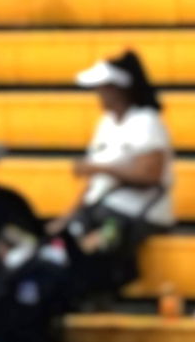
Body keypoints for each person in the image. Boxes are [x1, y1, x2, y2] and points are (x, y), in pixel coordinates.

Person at [64, 52, 176, 293]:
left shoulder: (147, 121)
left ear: (118, 89)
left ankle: (102, 292)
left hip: (139, 213)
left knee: (100, 242)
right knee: (67, 238)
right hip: (102, 208)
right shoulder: (105, 123)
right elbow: (94, 185)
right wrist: (69, 215)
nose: (99, 94)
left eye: (103, 87)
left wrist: (99, 168)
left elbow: (151, 174)